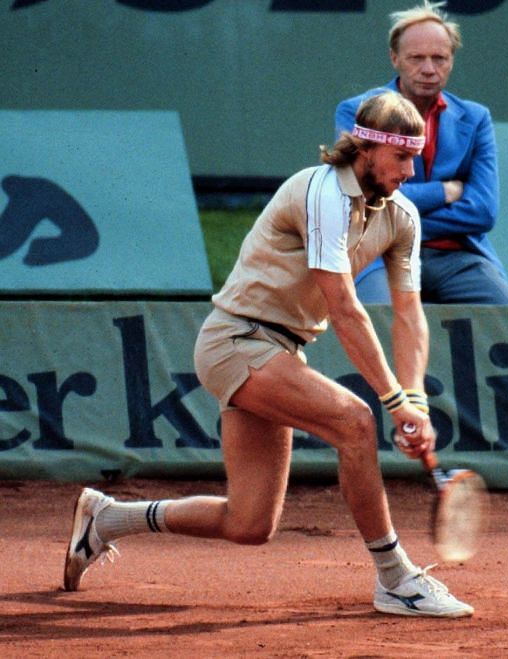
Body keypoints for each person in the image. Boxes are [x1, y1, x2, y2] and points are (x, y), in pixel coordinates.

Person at [63, 91, 473, 619]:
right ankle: (395, 578)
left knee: (249, 523)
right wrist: (395, 403)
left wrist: (414, 393)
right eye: (401, 157)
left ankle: (108, 518)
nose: (410, 170)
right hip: (236, 341)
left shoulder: (404, 217)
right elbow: (344, 306)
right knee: (355, 422)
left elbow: (410, 314)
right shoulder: (321, 190)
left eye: (416, 157)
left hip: (280, 350)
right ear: (366, 147)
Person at [336, 1, 508, 305]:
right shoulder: (357, 111)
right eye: (416, 58)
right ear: (394, 58)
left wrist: (396, 220)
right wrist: (444, 191)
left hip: (457, 257)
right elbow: (364, 197)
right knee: (383, 327)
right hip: (380, 254)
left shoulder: (475, 118)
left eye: (439, 58)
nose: (428, 69)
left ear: (451, 61)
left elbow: (483, 212)